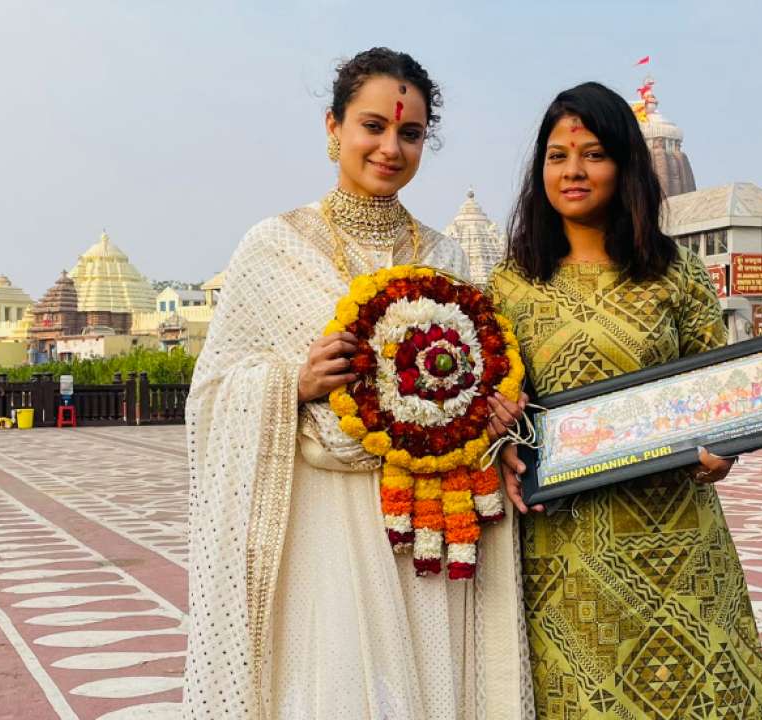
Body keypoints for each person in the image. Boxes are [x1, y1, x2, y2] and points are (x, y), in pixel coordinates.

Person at [183, 48, 532, 719]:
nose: (389, 148)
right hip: (326, 524)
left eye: (409, 133)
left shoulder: (447, 257)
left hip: (429, 521)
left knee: (431, 685)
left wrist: (494, 414)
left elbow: (485, 384)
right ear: (333, 127)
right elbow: (213, 393)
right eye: (372, 126)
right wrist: (292, 381)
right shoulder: (276, 247)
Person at [490, 82, 762, 719]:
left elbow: (722, 395)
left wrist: (724, 452)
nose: (573, 171)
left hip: (678, 540)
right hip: (567, 553)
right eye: (558, 156)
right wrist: (499, 434)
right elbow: (494, 401)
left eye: (593, 153)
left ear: (624, 164)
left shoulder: (676, 276)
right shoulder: (509, 285)